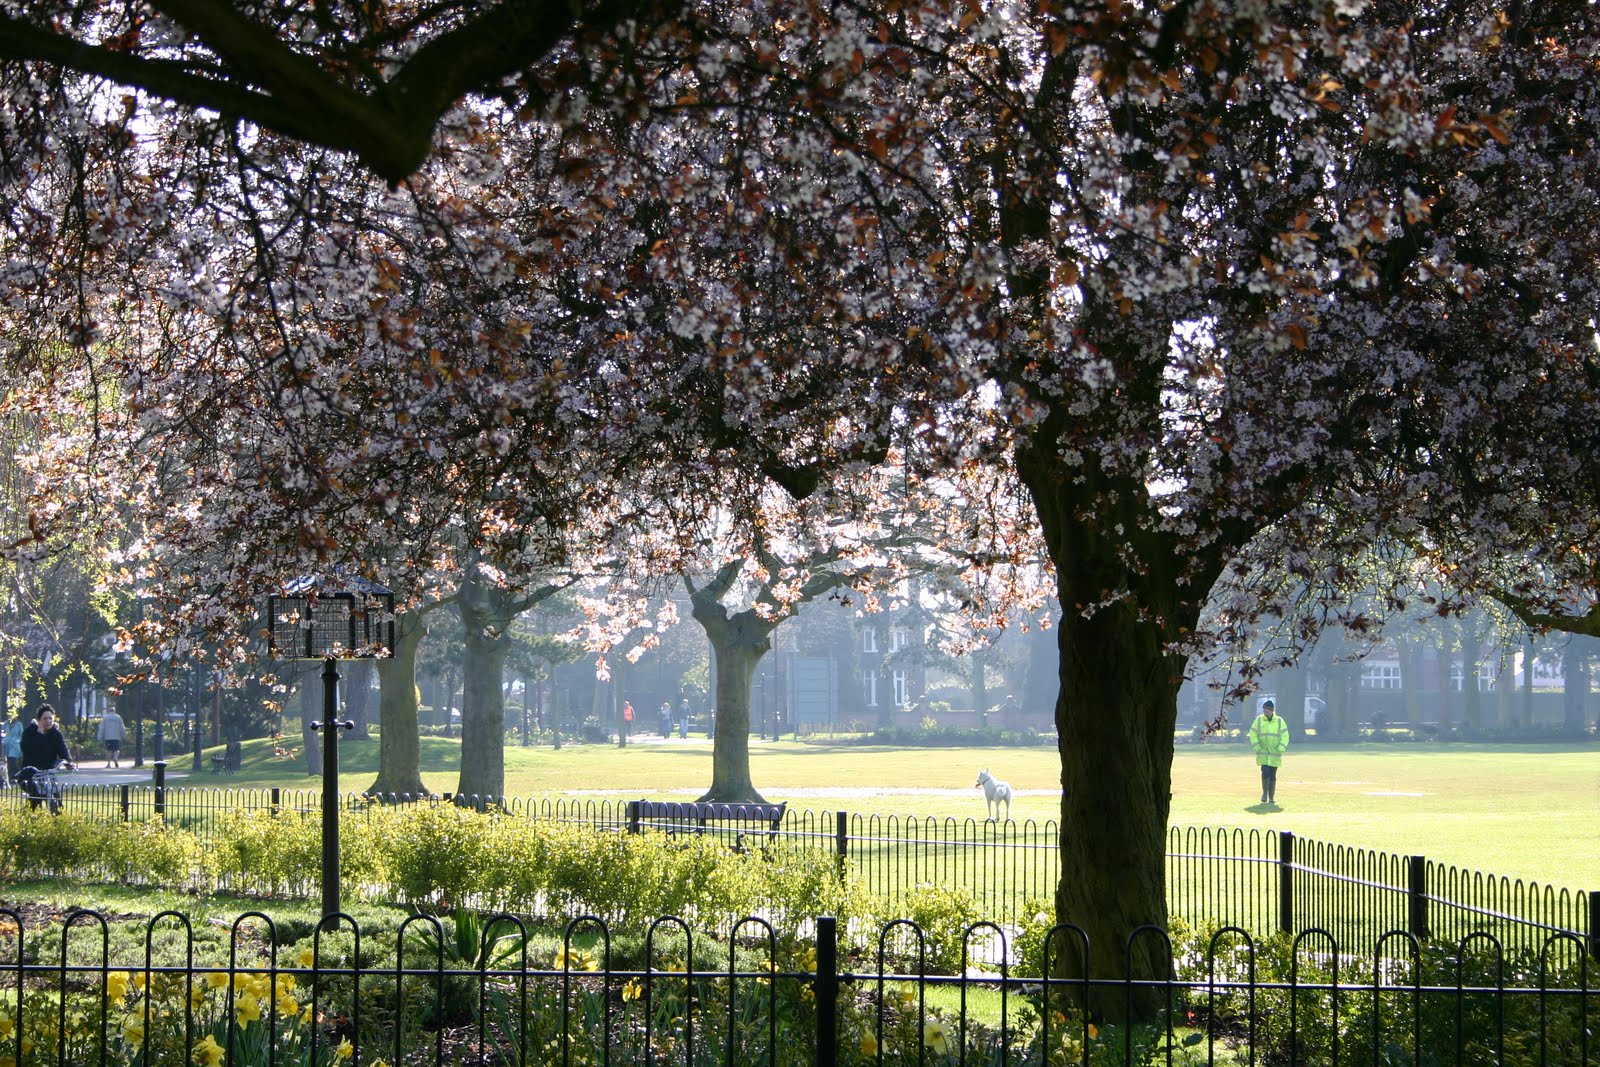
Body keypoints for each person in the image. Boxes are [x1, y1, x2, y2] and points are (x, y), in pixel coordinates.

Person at [18, 705, 74, 812]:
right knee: (36, 797)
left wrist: (68, 762)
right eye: (45, 718)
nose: (48, 721)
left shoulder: (56, 734)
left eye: (50, 718)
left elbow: (63, 750)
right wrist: (39, 734)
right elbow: (26, 748)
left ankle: (58, 819)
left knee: (56, 798)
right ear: (39, 720)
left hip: (47, 774)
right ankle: (31, 818)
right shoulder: (30, 732)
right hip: (30, 774)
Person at [1248, 698, 1290, 805]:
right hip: (1263, 753)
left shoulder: (1280, 721)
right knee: (1265, 772)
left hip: (1275, 754)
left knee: (1273, 775)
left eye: (1266, 709)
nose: (1264, 711)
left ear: (1271, 710)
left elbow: (1285, 735)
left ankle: (1271, 797)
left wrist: (1281, 747)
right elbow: (1253, 734)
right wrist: (1257, 746)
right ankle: (1264, 794)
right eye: (1264, 709)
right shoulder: (1258, 720)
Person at [3, 712, 21, 785]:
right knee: (8, 764)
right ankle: (10, 780)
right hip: (7, 746)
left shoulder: (19, 725)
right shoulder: (5, 724)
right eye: (9, 715)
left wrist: (17, 741)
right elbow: (3, 733)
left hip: (15, 747)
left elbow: (21, 735)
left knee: (13, 763)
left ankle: (15, 779)